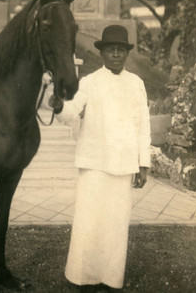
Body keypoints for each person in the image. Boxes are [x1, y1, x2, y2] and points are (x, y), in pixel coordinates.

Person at [48, 25, 151, 292]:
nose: (116, 55)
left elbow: (144, 126)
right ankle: (81, 276)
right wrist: (59, 106)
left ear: (126, 53)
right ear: (102, 54)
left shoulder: (136, 83)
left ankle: (110, 277)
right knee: (89, 221)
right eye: (110, 50)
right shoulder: (90, 82)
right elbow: (71, 111)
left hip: (123, 164)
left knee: (116, 224)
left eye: (120, 50)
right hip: (94, 162)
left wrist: (143, 163)